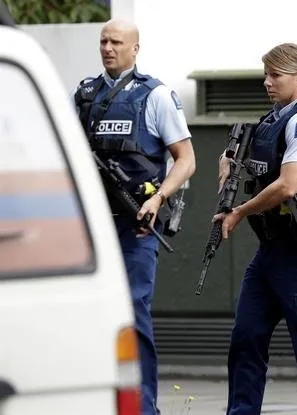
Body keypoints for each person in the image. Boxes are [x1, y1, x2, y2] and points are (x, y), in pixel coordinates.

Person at [215, 43, 297, 414]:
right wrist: (227, 166)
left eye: (275, 75)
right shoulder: (272, 119)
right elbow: (258, 170)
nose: (267, 82)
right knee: (245, 340)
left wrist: (239, 212)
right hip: (271, 252)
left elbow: (289, 184)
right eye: (266, 75)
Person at [72, 19, 196, 415]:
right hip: (94, 225)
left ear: (135, 48)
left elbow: (187, 160)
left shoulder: (155, 95)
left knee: (132, 311)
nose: (108, 48)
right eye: (103, 41)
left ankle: (143, 409)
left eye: (116, 42)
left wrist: (158, 198)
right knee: (89, 315)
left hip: (137, 225)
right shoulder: (85, 95)